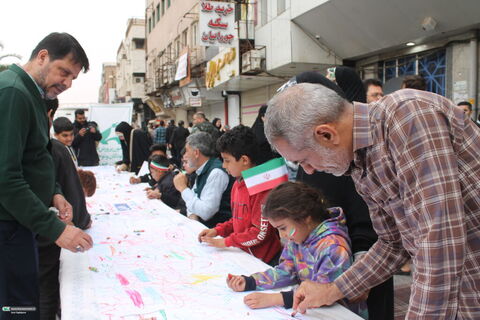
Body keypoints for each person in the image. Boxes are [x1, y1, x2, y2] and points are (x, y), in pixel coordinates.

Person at [264, 82, 480, 319]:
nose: (310, 170)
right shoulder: (360, 162)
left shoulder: (408, 116)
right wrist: (333, 290)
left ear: (326, 134)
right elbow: (393, 243)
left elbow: (439, 240)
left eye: (305, 160)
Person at [0, 32, 93, 319]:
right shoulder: (13, 92)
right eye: (64, 72)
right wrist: (57, 230)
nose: (66, 83)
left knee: (26, 302)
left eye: (73, 78)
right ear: (42, 56)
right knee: (18, 309)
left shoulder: (33, 95)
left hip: (21, 224)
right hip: (8, 228)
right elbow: (5, 177)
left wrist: (55, 191)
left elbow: (36, 156)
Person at [293, 70, 394, 320]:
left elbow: (378, 225)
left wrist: (359, 273)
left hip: (366, 261)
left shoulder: (359, 152)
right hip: (331, 265)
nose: (308, 167)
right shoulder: (316, 151)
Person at [227, 182, 367, 319]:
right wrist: (251, 282)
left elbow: (324, 295)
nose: (282, 235)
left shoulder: (333, 247)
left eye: (282, 228)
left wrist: (276, 298)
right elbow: (286, 270)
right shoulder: (297, 236)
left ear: (305, 218)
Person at [198, 125, 282, 265]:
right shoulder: (237, 184)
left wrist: (226, 241)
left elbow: (260, 233)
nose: (224, 166)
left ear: (244, 160)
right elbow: (237, 220)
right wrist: (217, 230)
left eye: (227, 160)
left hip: (264, 261)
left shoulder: (262, 189)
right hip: (244, 255)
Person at [38, 117, 93, 319]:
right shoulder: (49, 148)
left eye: (71, 135)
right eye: (65, 135)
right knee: (46, 285)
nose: (69, 139)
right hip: (43, 231)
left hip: (50, 225)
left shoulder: (51, 147)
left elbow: (61, 185)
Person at [173, 132, 233, 227]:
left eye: (187, 151)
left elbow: (206, 213)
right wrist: (192, 216)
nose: (185, 155)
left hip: (217, 233)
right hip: (203, 228)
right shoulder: (202, 169)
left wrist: (183, 189)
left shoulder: (216, 173)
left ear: (196, 153)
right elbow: (192, 201)